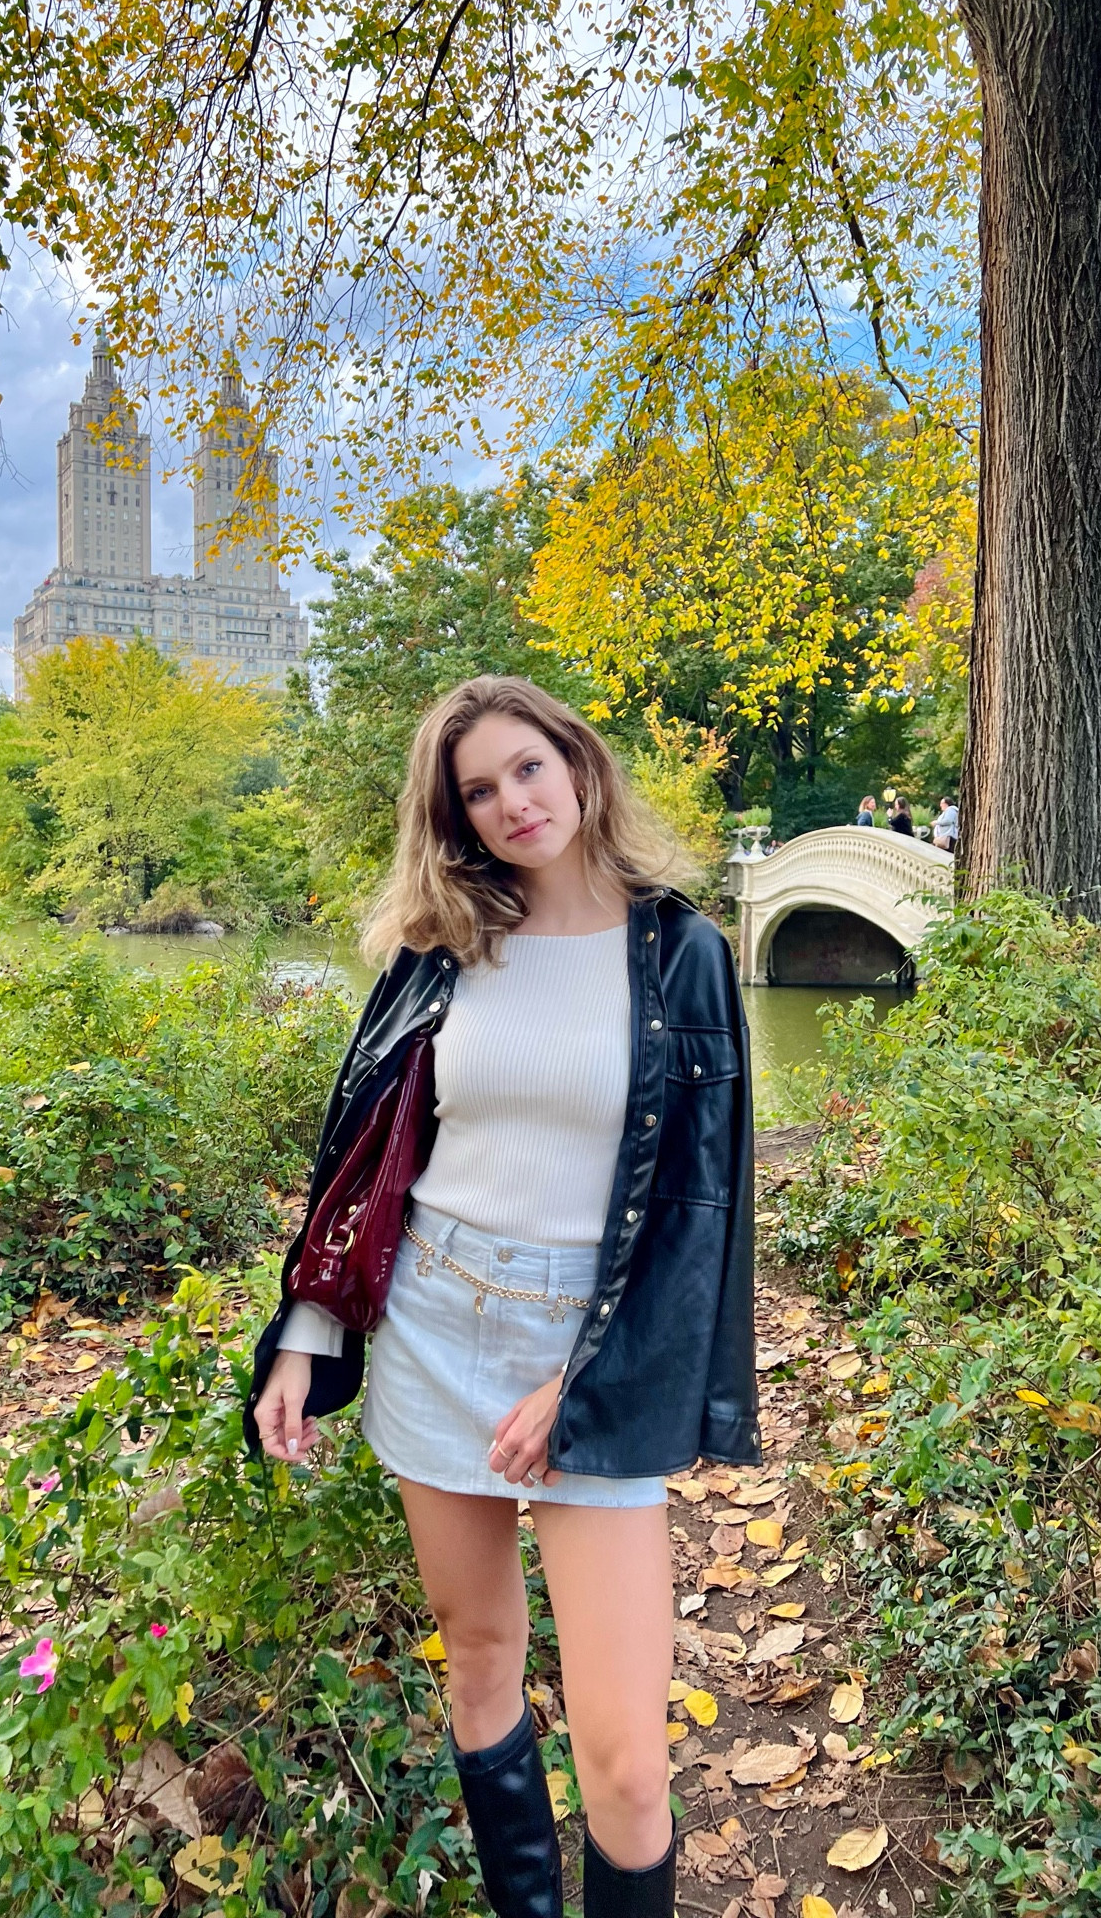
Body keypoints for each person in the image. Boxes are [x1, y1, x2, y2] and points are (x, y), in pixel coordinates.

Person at [246, 676, 758, 1918]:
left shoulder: (681, 952)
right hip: (435, 1324)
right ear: (456, 818)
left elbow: (703, 1214)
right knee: (479, 1659)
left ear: (578, 766)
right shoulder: (440, 955)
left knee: (630, 1764)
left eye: (526, 767)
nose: (510, 802)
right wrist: (308, 1333)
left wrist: (581, 1375)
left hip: (599, 1347)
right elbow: (364, 1158)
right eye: (477, 789)